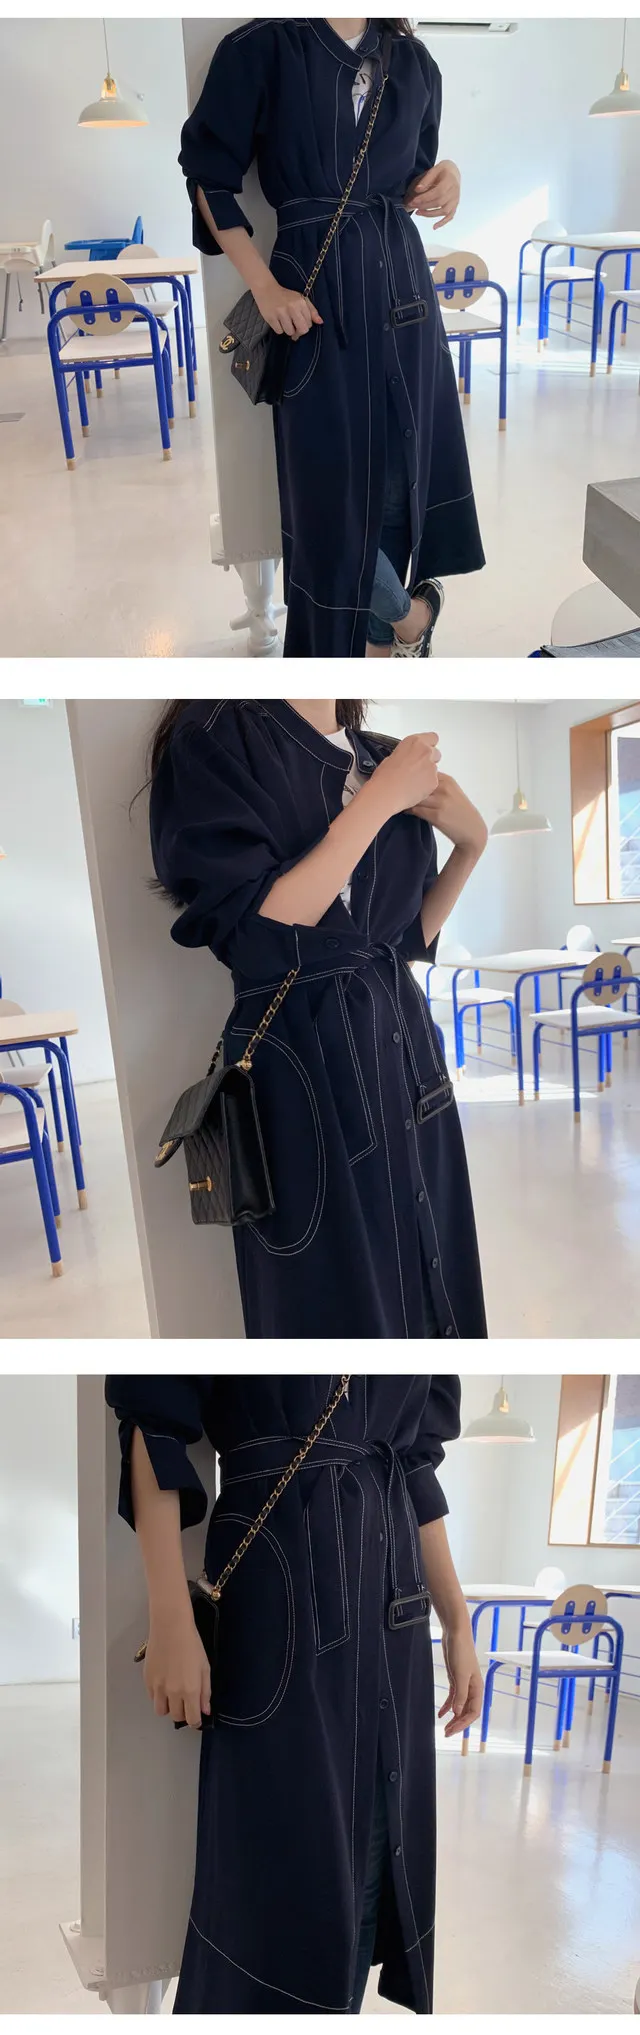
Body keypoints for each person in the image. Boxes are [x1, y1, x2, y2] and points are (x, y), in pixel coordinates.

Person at [104, 1372, 484, 2014]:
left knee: (376, 1837)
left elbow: (415, 1464)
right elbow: (154, 1419)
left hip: (394, 1598)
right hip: (282, 1583)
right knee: (281, 1850)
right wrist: (170, 1616)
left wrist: (457, 1621)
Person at [147, 697, 488, 1339]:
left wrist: (472, 845)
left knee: (433, 1286)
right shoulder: (221, 731)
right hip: (303, 1063)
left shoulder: (383, 754)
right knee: (333, 1314)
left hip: (407, 1053)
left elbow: (400, 941)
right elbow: (256, 936)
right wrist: (377, 802)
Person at [179, 18, 485, 657]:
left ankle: (377, 640)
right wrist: (264, 288)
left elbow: (413, 179)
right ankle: (407, 617)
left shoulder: (414, 61)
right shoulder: (262, 48)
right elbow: (210, 178)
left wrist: (452, 172)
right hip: (311, 295)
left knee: (399, 477)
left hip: (404, 287)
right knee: (323, 496)